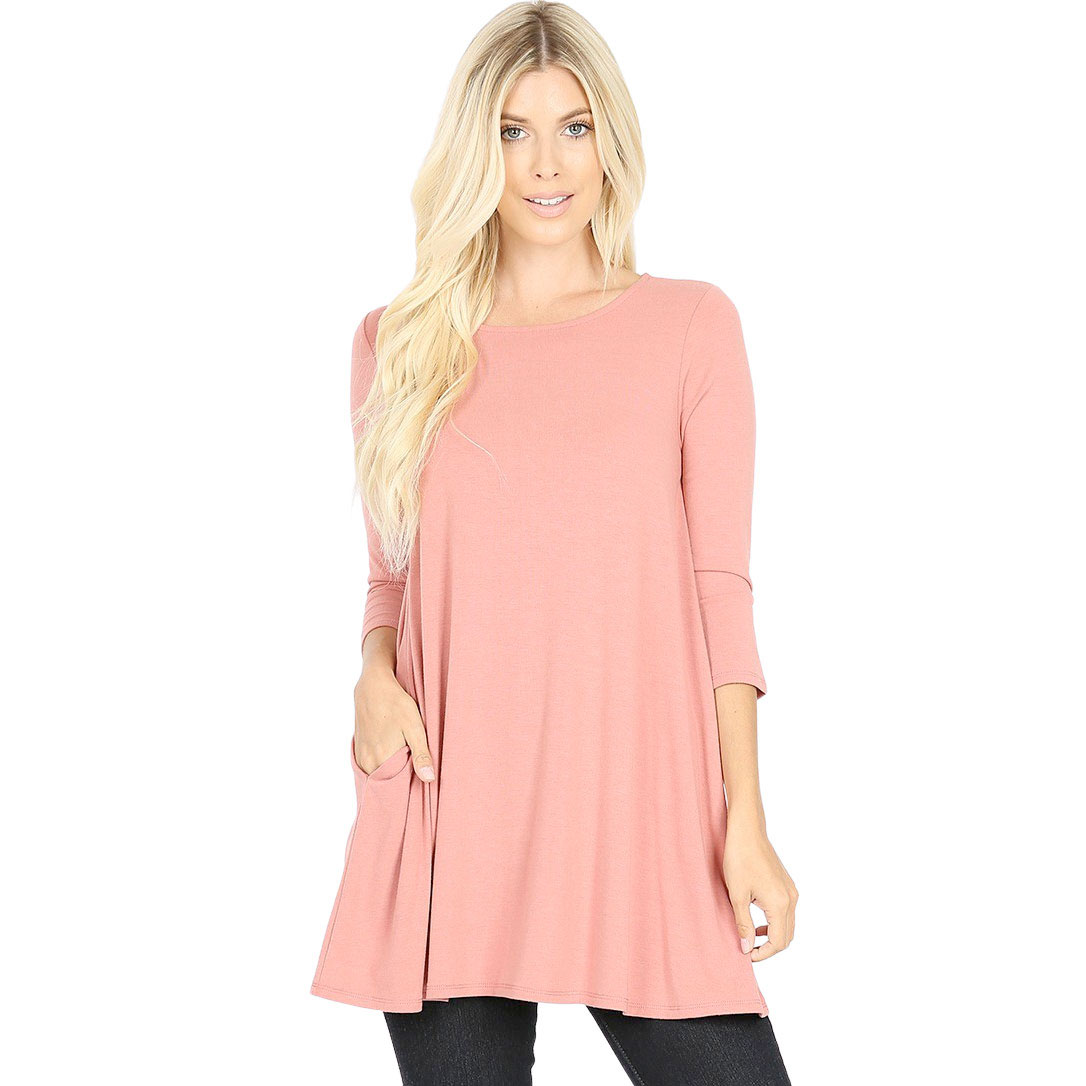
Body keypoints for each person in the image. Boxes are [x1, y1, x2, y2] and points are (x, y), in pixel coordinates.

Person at [310, 3, 798, 1082]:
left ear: (609, 140)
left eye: (574, 127)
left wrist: (747, 821)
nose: (545, 163)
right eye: (511, 131)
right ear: (472, 149)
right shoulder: (398, 343)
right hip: (451, 812)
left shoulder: (690, 326)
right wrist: (372, 676)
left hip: (639, 809)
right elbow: (392, 579)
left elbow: (720, 587)